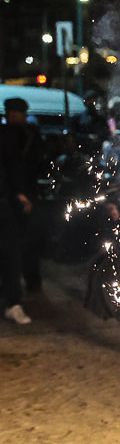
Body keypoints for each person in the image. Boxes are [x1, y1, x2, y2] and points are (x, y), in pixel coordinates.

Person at [3, 97, 46, 292]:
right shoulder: (31, 133)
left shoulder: (11, 133)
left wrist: (19, 192)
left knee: (18, 240)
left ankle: (19, 281)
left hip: (17, 193)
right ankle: (31, 281)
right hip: (25, 192)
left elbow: (13, 165)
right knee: (27, 239)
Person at [0, 122, 31, 324]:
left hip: (3, 202)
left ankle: (13, 303)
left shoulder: (4, 134)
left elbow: (11, 163)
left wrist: (19, 193)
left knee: (11, 252)